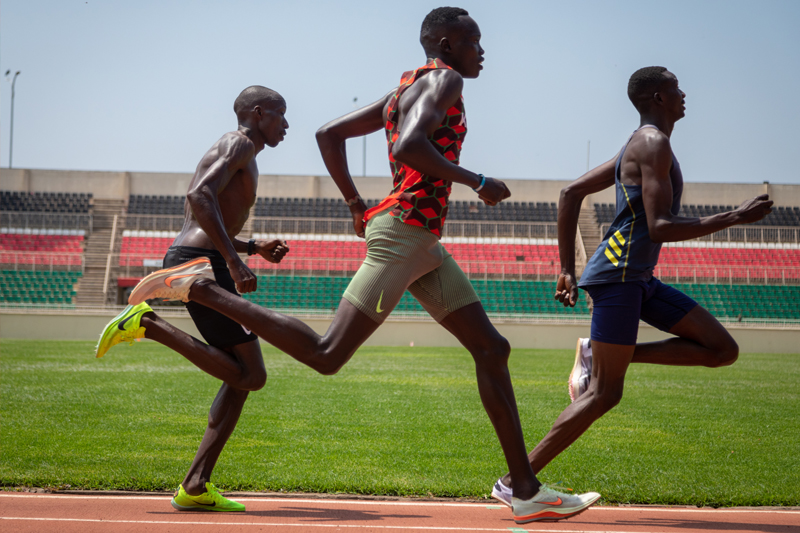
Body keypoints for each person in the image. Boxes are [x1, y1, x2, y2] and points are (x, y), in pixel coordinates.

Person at [126, 7, 600, 524]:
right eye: (474, 41)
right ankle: (198, 290)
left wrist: (355, 203)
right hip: (403, 234)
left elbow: (328, 135)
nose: (481, 51)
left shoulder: (404, 89)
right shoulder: (443, 81)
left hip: (419, 239)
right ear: (445, 43)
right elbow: (410, 145)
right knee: (328, 355)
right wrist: (475, 179)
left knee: (492, 347)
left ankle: (523, 487)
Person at [490, 66, 774, 502]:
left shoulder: (638, 145)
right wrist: (733, 217)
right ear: (658, 97)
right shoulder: (651, 143)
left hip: (637, 278)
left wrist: (567, 267)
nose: (684, 94)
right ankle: (514, 484)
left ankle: (596, 356)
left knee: (722, 350)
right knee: (605, 393)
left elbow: (570, 194)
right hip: (619, 275)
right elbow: (659, 226)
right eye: (677, 87)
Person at [95, 85, 290, 512]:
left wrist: (251, 246)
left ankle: (196, 486)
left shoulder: (243, 152)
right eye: (280, 114)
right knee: (252, 376)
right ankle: (148, 325)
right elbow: (198, 196)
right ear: (258, 114)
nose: (286, 124)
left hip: (200, 256)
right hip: (199, 263)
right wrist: (233, 264)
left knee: (242, 378)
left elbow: (208, 212)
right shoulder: (238, 142)